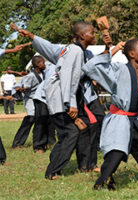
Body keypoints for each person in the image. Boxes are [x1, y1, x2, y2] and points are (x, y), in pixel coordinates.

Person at [82, 34, 138, 190]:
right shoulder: (118, 69)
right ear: (132, 54)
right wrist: (110, 51)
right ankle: (102, 182)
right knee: (116, 152)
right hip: (120, 119)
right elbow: (91, 67)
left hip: (137, 119)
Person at [18, 21, 106, 178]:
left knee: (81, 128)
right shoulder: (74, 51)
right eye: (92, 33)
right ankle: (53, 169)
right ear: (82, 36)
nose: (94, 35)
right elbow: (67, 77)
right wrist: (70, 103)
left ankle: (83, 164)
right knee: (70, 133)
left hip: (69, 97)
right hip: (61, 97)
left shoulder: (77, 51)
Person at [11, 56, 46, 149]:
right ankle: (17, 143)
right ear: (38, 64)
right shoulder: (30, 76)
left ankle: (43, 141)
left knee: (41, 119)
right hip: (30, 99)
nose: (44, 64)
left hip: (40, 100)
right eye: (43, 63)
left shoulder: (44, 74)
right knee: (31, 118)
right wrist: (22, 88)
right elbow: (24, 86)